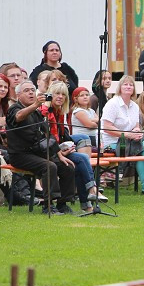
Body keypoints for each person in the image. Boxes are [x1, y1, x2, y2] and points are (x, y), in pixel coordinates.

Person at [6, 81, 76, 215]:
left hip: (37, 152)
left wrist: (59, 155)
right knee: (49, 166)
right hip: (20, 155)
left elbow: (48, 136)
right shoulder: (14, 109)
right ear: (18, 94)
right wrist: (36, 104)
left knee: (67, 166)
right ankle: (48, 205)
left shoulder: (37, 113)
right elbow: (19, 117)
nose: (31, 92)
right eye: (26, 90)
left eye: (33, 90)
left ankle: (63, 203)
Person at [41, 81, 106, 211]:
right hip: (45, 150)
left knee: (82, 159)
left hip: (58, 147)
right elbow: (47, 138)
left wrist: (66, 146)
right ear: (50, 95)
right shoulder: (45, 111)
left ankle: (86, 200)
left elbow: (60, 136)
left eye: (63, 94)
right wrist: (60, 152)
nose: (60, 96)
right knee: (81, 160)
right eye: (57, 93)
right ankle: (90, 193)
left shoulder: (61, 112)